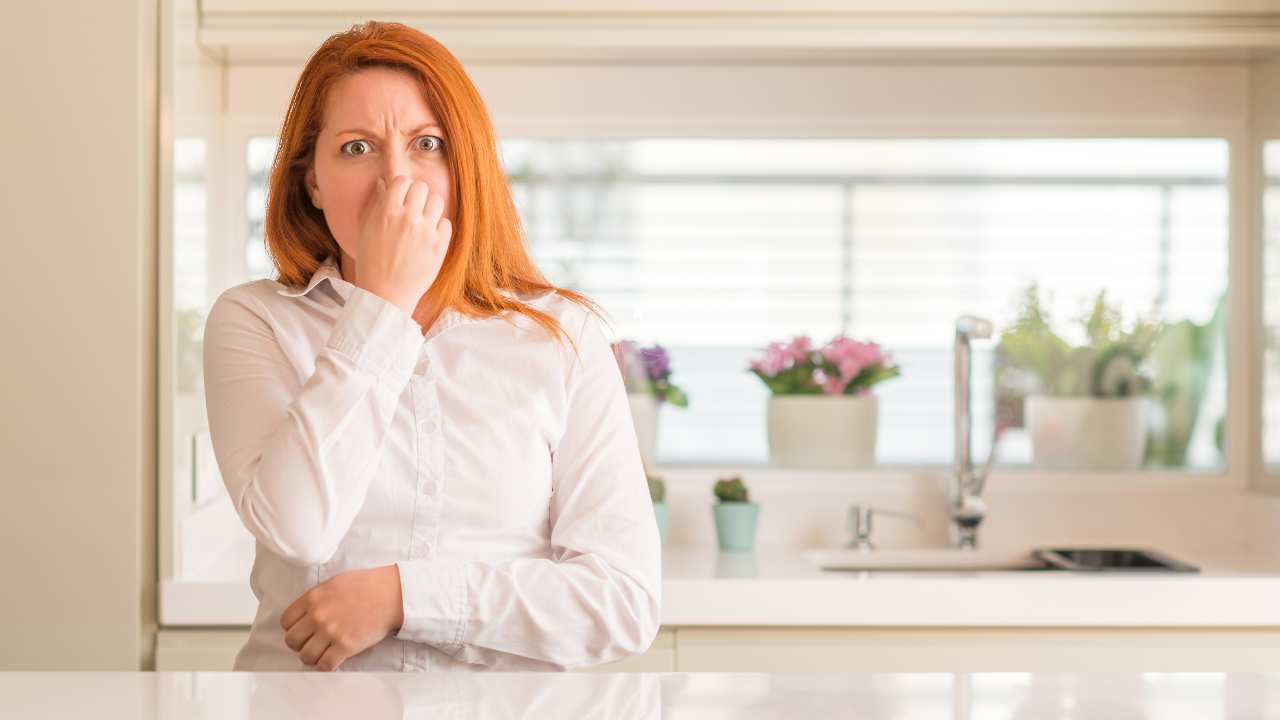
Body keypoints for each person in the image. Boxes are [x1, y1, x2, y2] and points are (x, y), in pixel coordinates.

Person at [201, 20, 661, 672]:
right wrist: (382, 305)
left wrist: (403, 596)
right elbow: (299, 531)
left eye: (428, 144)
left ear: (465, 166)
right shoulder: (255, 321)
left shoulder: (562, 337)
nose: (397, 180)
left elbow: (620, 601)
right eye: (357, 148)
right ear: (311, 182)